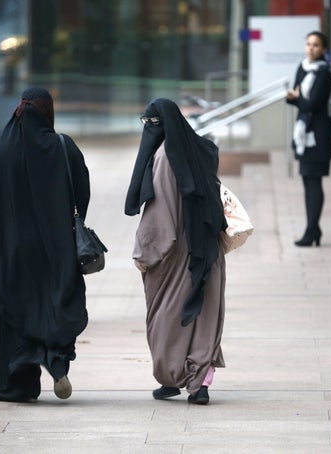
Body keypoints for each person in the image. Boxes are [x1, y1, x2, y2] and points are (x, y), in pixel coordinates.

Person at [0, 87, 91, 402]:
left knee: (14, 310)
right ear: (47, 112)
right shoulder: (62, 147)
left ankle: (16, 383)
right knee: (55, 303)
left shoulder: (0, 152)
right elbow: (81, 194)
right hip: (55, 249)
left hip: (12, 253)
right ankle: (56, 362)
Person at [125, 98, 227, 405]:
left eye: (151, 124)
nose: (149, 130)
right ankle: (199, 383)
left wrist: (145, 254)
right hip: (207, 250)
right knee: (204, 318)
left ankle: (171, 376)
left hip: (176, 254)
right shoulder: (200, 150)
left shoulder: (163, 158)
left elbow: (161, 217)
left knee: (167, 318)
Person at [287, 31, 331, 247]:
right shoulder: (302, 68)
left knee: (314, 181)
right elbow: (297, 99)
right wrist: (296, 99)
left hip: (319, 135)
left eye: (316, 45)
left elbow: (314, 104)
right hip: (303, 132)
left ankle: (311, 231)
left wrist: (297, 99)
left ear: (324, 50)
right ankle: (314, 229)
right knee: (307, 181)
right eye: (308, 44)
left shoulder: (325, 73)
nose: (311, 48)